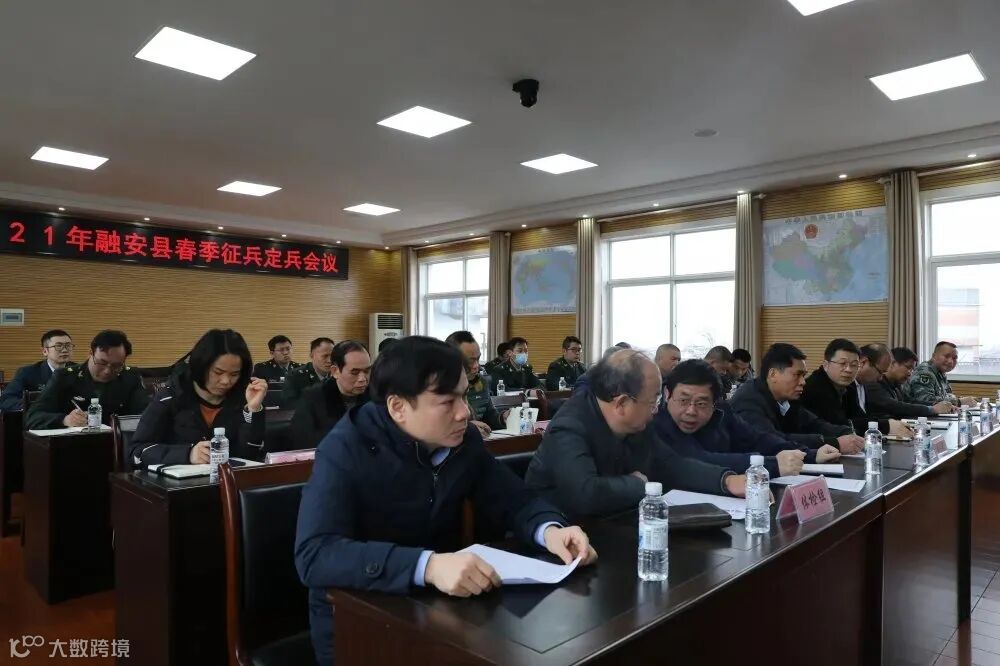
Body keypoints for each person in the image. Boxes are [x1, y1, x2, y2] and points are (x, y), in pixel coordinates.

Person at [294, 336, 597, 666]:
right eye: (447, 401)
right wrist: (427, 566)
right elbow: (315, 554)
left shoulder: (463, 441)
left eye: (464, 395)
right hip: (356, 623)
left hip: (439, 610)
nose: (464, 412)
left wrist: (550, 530)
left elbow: (511, 496)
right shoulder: (344, 448)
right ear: (398, 407)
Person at [524, 349, 748, 519]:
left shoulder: (638, 423)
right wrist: (638, 485)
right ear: (622, 403)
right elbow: (585, 494)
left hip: (616, 521)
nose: (656, 410)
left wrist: (726, 481)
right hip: (563, 535)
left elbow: (670, 464)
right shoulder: (570, 427)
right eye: (652, 402)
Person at [654, 360, 840, 479]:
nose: (691, 411)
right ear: (667, 394)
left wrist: (809, 454)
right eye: (683, 400)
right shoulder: (656, 424)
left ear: (715, 402)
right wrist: (772, 464)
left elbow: (757, 439)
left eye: (701, 403)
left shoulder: (723, 411)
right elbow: (697, 460)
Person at [129, 329, 268, 467]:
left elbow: (249, 456)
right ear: (201, 365)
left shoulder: (243, 398)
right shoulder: (170, 396)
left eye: (234, 374)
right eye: (218, 372)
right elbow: (135, 452)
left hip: (227, 479)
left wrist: (253, 410)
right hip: (179, 480)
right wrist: (187, 454)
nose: (226, 381)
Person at [729, 343, 864, 454]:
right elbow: (772, 440)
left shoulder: (786, 397)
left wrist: (846, 432)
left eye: (803, 375)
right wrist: (834, 443)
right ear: (773, 374)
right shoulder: (748, 401)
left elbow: (814, 424)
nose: (803, 382)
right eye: (797, 375)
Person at [25, 330, 149, 430]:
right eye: (102, 363)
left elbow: (146, 415)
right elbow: (32, 417)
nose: (107, 371)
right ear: (90, 353)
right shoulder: (64, 377)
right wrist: (65, 420)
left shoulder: (130, 377)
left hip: (119, 444)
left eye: (116, 366)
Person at [800, 338, 912, 437]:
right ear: (826, 365)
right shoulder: (815, 387)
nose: (848, 370)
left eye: (854, 365)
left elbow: (857, 417)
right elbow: (839, 423)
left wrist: (888, 423)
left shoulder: (848, 386)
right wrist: (886, 426)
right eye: (842, 363)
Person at [291, 341, 372, 449]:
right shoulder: (313, 398)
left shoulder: (376, 395)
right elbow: (303, 441)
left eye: (366, 371)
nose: (362, 379)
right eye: (354, 372)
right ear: (335, 371)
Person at [865, 346, 955, 418]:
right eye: (908, 367)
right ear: (892, 364)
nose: (910, 373)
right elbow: (895, 406)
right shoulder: (875, 382)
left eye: (912, 369)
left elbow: (909, 402)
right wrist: (932, 409)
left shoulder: (895, 384)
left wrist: (937, 405)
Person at [0, 329, 75, 412]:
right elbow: (6, 400)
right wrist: (35, 407)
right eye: (58, 346)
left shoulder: (80, 370)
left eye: (68, 345)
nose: (65, 350)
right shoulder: (27, 373)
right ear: (45, 351)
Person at [445, 331, 503, 437]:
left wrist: (503, 418)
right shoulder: (439, 388)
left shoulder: (480, 382)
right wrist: (468, 428)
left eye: (478, 359)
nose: (477, 366)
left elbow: (489, 416)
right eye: (470, 361)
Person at [905, 341, 978, 407]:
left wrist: (963, 400)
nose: (950, 361)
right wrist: (959, 402)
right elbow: (925, 400)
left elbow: (947, 396)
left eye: (954, 358)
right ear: (934, 356)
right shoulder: (925, 373)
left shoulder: (940, 373)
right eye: (946, 356)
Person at [284, 337, 335, 406]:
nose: (329, 360)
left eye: (332, 356)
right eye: (325, 356)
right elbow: (289, 406)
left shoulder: (338, 375)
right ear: (311, 355)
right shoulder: (295, 376)